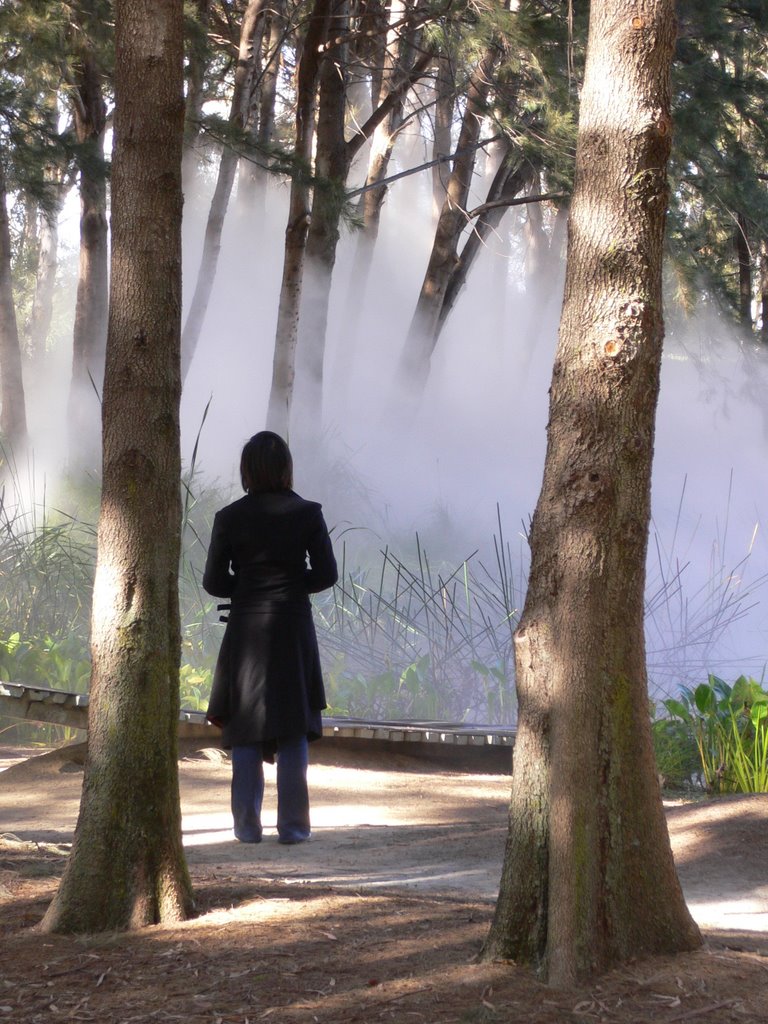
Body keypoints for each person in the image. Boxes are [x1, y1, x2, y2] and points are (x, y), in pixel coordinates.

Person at [203, 431, 338, 844]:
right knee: (293, 726)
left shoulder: (229, 517)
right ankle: (295, 829)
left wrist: (244, 587)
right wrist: (294, 584)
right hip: (293, 628)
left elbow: (213, 582)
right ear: (285, 470)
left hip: (246, 629)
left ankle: (246, 829)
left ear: (246, 471)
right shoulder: (308, 513)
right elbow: (327, 574)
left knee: (245, 726)